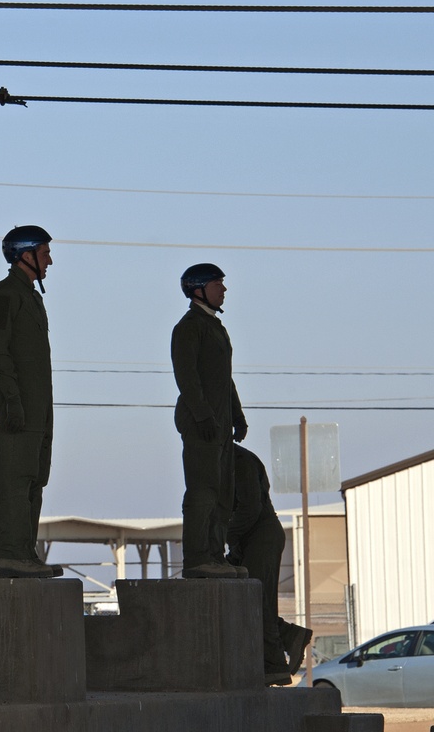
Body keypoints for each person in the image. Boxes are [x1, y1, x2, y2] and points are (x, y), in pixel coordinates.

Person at [0, 225, 61, 579]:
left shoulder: (31, 296)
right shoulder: (3, 295)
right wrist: (11, 400)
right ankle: (13, 553)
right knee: (16, 480)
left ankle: (26, 552)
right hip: (19, 404)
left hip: (39, 406)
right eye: (44, 253)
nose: (49, 260)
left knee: (34, 480)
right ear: (24, 254)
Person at [171, 263, 248, 579]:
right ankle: (198, 557)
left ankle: (216, 555)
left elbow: (224, 379)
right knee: (202, 492)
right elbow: (187, 377)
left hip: (220, 426)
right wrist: (202, 416)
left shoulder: (216, 327)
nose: (224, 290)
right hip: (201, 425)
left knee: (222, 494)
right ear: (199, 288)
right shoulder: (189, 327)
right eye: (218, 284)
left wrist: (237, 415)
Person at [227, 444, 313, 687]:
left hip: (260, 537)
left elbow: (249, 509)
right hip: (248, 540)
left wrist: (225, 536)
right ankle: (289, 636)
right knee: (250, 601)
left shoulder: (239, 460)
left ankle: (274, 665)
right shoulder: (226, 459)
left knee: (258, 601)